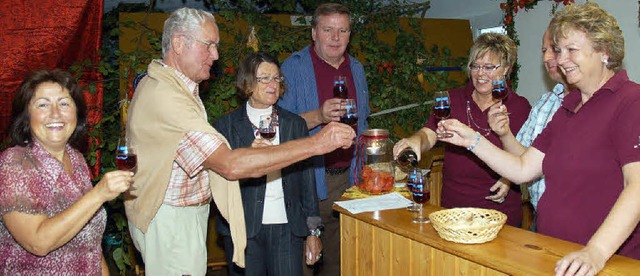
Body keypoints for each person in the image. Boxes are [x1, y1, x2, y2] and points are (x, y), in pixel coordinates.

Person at [125, 8, 355, 275]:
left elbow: (303, 187)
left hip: (203, 222)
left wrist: (312, 229)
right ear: (178, 43)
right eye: (209, 45)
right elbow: (230, 165)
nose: (216, 55)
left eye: (275, 78)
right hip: (176, 223)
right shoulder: (169, 98)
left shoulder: (172, 89)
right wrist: (318, 144)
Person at [436, 3, 640, 275]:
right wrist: (471, 139)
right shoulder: (569, 106)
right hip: (553, 254)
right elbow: (522, 169)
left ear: (603, 51)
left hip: (604, 264)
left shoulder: (630, 100)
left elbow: (637, 186)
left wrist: (596, 251)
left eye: (571, 50)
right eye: (558, 50)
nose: (561, 59)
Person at [0, 69, 133, 274]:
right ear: (26, 116)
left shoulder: (76, 159)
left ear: (76, 113)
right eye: (43, 104)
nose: (55, 113)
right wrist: (98, 194)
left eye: (64, 103)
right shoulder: (14, 164)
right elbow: (38, 242)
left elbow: (91, 245)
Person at [393, 33, 531, 227]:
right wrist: (415, 141)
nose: (480, 73)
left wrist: (508, 178)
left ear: (506, 69)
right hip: (454, 213)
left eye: (489, 67)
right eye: (475, 66)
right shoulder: (451, 99)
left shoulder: (519, 106)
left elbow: (526, 159)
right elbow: (429, 134)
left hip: (500, 216)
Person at [279, 3, 370, 274]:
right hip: (310, 178)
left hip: (351, 178)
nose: (335, 37)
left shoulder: (357, 69)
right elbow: (281, 126)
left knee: (342, 260)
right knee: (305, 260)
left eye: (342, 30)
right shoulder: (293, 68)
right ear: (314, 33)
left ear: (350, 35)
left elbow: (363, 123)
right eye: (328, 30)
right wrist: (318, 115)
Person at [214, 52, 322, 275]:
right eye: (264, 78)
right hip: (242, 229)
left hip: (287, 229)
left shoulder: (295, 125)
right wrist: (249, 159)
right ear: (247, 83)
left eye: (276, 78)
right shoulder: (226, 127)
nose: (273, 84)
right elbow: (219, 181)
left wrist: (314, 232)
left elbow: (307, 183)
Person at [488, 28, 572, 230]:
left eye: (555, 49)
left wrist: (471, 140)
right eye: (544, 50)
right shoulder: (546, 102)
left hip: (579, 229)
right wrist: (505, 133)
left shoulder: (597, 103)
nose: (547, 57)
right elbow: (523, 160)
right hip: (541, 221)